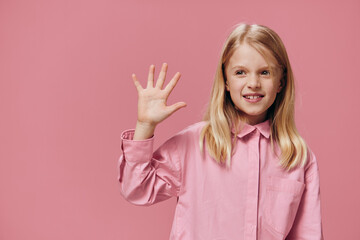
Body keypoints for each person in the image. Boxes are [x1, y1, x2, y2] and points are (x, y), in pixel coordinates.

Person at [118, 23, 324, 240]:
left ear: (281, 81)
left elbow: (307, 235)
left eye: (264, 72)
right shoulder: (193, 144)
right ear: (226, 79)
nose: (253, 83)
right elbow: (136, 190)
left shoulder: (299, 157)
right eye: (240, 72)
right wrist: (145, 126)